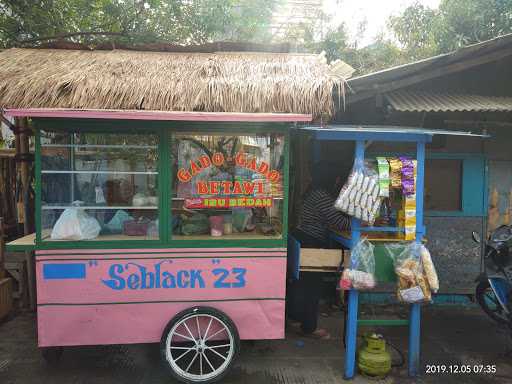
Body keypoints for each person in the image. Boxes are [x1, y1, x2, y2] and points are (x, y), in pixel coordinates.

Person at [287, 161, 351, 339]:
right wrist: (361, 223)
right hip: (309, 243)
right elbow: (338, 221)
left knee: (299, 285)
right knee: (312, 287)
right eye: (337, 179)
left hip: (300, 239)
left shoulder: (311, 192)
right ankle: (309, 327)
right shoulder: (321, 196)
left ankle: (294, 319)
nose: (338, 182)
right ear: (330, 179)